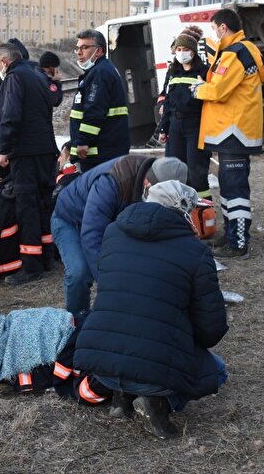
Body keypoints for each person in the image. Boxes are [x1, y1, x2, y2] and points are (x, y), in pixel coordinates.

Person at [73, 180, 228, 439]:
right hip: (152, 365)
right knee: (218, 371)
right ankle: (158, 403)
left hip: (100, 359)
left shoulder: (112, 232)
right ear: (185, 210)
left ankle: (121, 399)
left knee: (132, 326)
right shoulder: (195, 251)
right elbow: (211, 329)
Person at [51, 154, 188, 314]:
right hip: (71, 220)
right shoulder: (113, 181)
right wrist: (108, 285)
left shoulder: (167, 182)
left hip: (111, 220)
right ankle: (75, 321)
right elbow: (91, 234)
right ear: (147, 183)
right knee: (79, 273)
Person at [193, 8, 264, 257]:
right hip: (234, 131)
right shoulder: (243, 49)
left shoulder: (235, 54)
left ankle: (238, 243)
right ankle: (232, 235)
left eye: (214, 28)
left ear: (223, 27)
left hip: (233, 131)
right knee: (229, 186)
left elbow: (218, 90)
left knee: (234, 189)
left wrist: (198, 89)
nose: (213, 33)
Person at [0, 42, 58, 286]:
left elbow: (10, 116)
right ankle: (47, 257)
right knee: (43, 204)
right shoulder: (36, 75)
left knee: (27, 207)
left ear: (4, 62)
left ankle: (31, 265)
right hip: (45, 150)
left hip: (26, 153)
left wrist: (4, 149)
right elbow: (54, 100)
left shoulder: (13, 78)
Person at [158, 31, 212, 199]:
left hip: (196, 126)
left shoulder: (204, 72)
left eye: (185, 49)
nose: (181, 52)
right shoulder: (172, 72)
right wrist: (163, 129)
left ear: (193, 52)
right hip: (175, 125)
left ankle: (203, 211)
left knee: (196, 173)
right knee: (173, 170)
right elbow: (167, 102)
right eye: (178, 48)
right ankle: (180, 209)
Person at [68, 29, 129, 172]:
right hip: (104, 150)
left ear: (99, 51)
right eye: (77, 48)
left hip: (101, 153)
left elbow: (94, 110)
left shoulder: (100, 73)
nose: (79, 52)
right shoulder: (99, 71)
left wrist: (83, 141)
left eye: (85, 47)